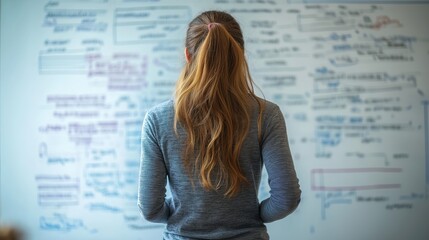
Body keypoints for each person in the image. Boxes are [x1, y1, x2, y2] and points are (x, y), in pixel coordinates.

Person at [138, 10, 301, 240]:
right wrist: (251, 216)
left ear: (187, 55)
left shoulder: (157, 119)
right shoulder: (266, 114)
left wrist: (185, 216)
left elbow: (150, 208)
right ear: (240, 54)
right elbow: (287, 198)